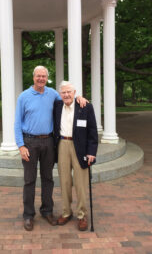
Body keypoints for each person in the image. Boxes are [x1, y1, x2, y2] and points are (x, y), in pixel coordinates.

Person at [14, 66, 87, 231]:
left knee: (48, 179)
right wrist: (20, 145)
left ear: (47, 78)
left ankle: (47, 211)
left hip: (48, 142)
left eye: (44, 76)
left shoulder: (53, 94)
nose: (41, 79)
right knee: (29, 180)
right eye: (38, 76)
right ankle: (28, 215)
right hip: (29, 142)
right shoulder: (23, 97)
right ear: (33, 77)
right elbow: (17, 123)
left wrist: (79, 97)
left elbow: (68, 98)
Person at [53, 80, 98, 231]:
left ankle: (82, 214)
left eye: (69, 92)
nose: (66, 95)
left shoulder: (85, 107)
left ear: (74, 93)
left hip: (80, 147)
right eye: (63, 92)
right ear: (60, 94)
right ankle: (66, 212)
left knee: (80, 183)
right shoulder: (57, 106)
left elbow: (92, 132)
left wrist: (91, 152)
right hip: (62, 146)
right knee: (65, 181)